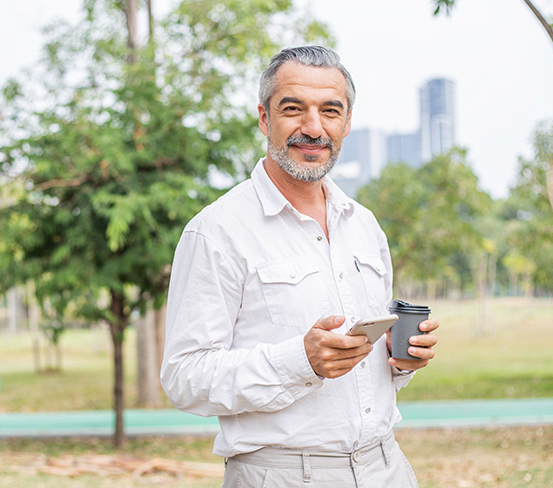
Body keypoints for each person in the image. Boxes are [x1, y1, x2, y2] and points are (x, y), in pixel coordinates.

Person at [160, 45, 439, 487]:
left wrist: (399, 359)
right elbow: (184, 377)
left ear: (347, 123)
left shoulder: (364, 225)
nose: (313, 128)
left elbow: (369, 376)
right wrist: (300, 360)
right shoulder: (216, 231)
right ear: (264, 118)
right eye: (293, 109)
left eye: (331, 111)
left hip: (386, 467)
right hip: (283, 475)